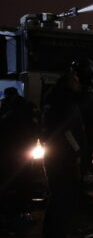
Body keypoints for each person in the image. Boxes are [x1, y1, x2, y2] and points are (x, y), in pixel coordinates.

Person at [41, 72, 86, 238]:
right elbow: (67, 131)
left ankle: (54, 230)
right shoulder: (64, 102)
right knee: (63, 194)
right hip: (64, 156)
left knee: (58, 193)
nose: (79, 85)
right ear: (69, 84)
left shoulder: (52, 99)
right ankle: (58, 231)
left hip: (55, 153)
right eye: (76, 82)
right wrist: (77, 151)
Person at [0, 87, 37, 222]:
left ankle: (15, 210)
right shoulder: (25, 107)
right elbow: (34, 128)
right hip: (21, 149)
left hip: (11, 150)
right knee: (23, 179)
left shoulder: (7, 108)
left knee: (14, 180)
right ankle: (21, 209)